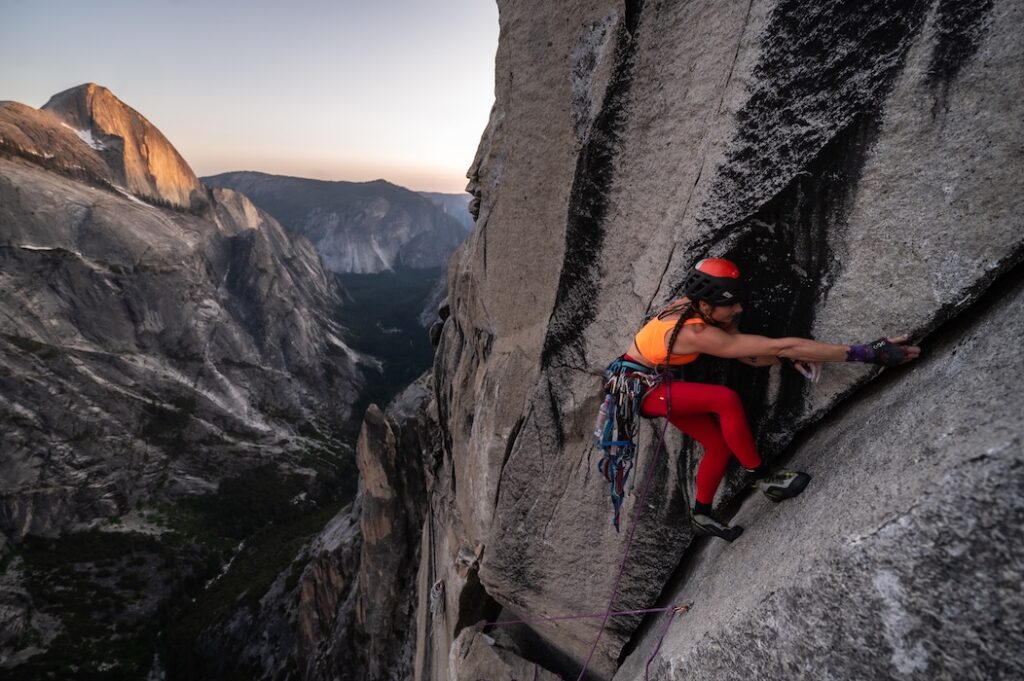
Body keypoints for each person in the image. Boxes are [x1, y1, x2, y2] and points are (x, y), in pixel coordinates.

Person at [619, 257, 920, 541]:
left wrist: (785, 359)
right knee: (724, 400)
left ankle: (701, 514)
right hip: (640, 388)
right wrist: (866, 352)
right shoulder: (695, 332)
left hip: (648, 382)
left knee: (718, 446)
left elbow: (750, 355)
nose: (737, 308)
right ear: (705, 305)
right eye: (729, 304)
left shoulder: (693, 308)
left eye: (737, 300)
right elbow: (779, 345)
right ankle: (763, 479)